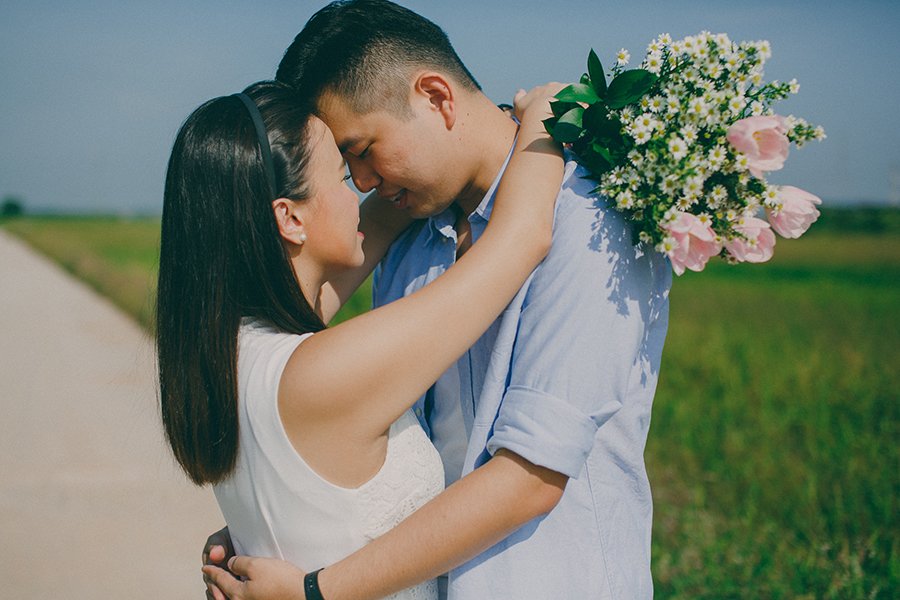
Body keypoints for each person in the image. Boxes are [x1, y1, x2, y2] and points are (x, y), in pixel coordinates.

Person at [202, 1, 672, 598]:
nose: (363, 182)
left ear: (436, 97)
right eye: (346, 165)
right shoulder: (411, 237)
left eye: (363, 148)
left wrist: (316, 588)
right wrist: (291, 517)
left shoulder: (590, 220)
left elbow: (531, 476)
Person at [158, 79, 565, 600]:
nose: (365, 188)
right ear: (289, 217)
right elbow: (523, 236)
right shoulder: (322, 374)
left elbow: (389, 209)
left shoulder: (223, 349)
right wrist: (547, 114)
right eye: (342, 175)